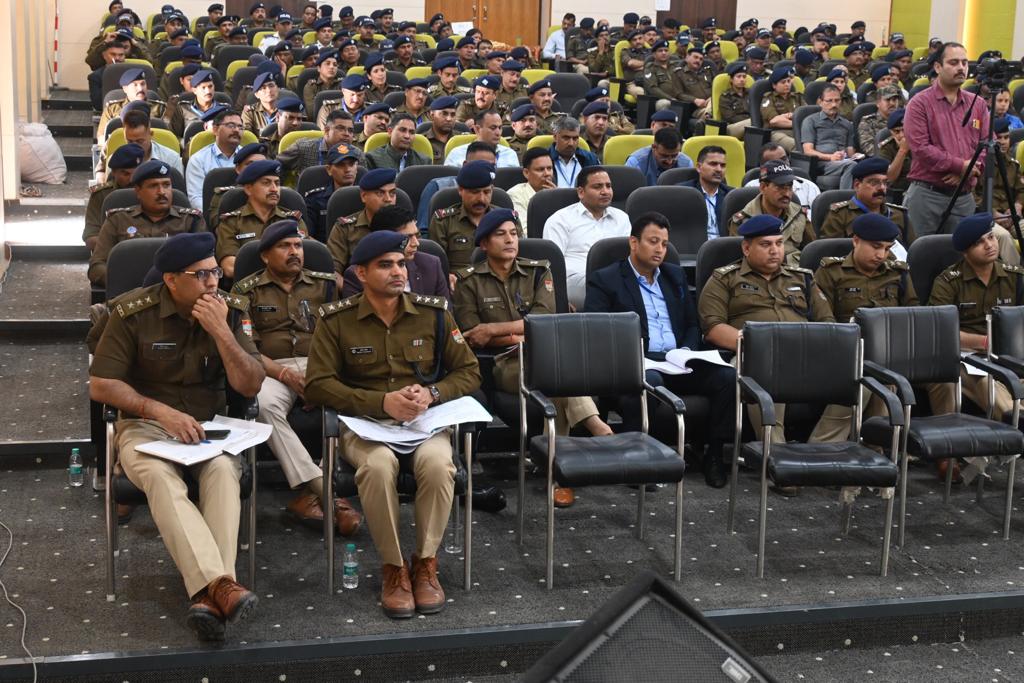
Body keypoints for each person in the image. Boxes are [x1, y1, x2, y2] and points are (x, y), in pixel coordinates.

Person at [89, 232, 265, 641]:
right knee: (159, 478)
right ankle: (221, 586)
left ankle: (208, 596)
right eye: (200, 275)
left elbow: (251, 384)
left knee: (223, 471)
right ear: (171, 279)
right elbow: (101, 385)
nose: (212, 283)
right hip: (145, 426)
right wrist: (158, 411)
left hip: (208, 428)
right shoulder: (133, 312)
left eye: (215, 273)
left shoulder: (230, 312)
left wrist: (221, 332)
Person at [305, 230, 481, 619]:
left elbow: (469, 371)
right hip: (365, 425)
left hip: (423, 423)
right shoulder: (336, 320)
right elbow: (317, 384)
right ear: (361, 273)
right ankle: (394, 568)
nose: (398, 271)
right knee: (378, 466)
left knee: (439, 466)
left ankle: (425, 563)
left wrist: (432, 394)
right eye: (385, 265)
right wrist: (379, 401)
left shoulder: (434, 313)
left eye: (401, 263)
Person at [454, 209, 613, 507]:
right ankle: (596, 432)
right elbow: (472, 334)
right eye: (501, 234)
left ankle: (558, 470)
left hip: (544, 354)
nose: (510, 239)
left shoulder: (540, 271)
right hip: (502, 363)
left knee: (557, 383)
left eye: (513, 233)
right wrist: (518, 335)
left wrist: (496, 329)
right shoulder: (469, 281)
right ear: (484, 244)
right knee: (561, 376)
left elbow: (544, 318)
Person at [584, 212, 736, 487]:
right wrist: (638, 357)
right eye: (653, 242)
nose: (660, 250)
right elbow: (599, 330)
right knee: (650, 382)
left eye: (664, 244)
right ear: (633, 242)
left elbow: (691, 322)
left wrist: (687, 350)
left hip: (676, 359)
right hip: (636, 361)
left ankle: (714, 453)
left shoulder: (674, 275)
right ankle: (638, 458)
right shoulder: (606, 279)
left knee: (726, 378)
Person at [230, 221, 362, 535]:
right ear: (264, 255)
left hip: (322, 364)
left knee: (359, 397)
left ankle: (311, 493)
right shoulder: (244, 290)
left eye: (298, 246)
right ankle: (326, 491)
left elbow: (345, 334)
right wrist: (286, 375)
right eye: (285, 247)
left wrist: (319, 375)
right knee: (262, 406)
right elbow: (246, 349)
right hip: (271, 369)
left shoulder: (327, 284)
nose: (294, 252)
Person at [698, 215, 835, 456]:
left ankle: (822, 449)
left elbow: (827, 323)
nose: (775, 251)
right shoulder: (725, 278)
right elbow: (713, 328)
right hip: (756, 355)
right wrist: (757, 346)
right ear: (746, 248)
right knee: (760, 366)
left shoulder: (802, 277)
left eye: (779, 243)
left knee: (861, 376)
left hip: (805, 355)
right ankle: (778, 457)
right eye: (766, 244)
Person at [927, 214, 1024, 484]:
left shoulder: (1014, 278)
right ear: (967, 252)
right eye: (980, 242)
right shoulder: (949, 281)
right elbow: (940, 330)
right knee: (990, 387)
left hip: (1009, 355)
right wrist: (983, 342)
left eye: (991, 237)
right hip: (967, 357)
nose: (990, 245)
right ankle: (950, 453)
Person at [904, 42, 990, 237]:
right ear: (938, 67)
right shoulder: (919, 103)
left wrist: (966, 171)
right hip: (928, 196)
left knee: (961, 261)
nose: (961, 67)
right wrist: (961, 166)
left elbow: (987, 144)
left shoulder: (977, 103)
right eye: (953, 62)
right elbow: (921, 148)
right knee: (922, 258)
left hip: (964, 197)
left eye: (964, 62)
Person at [88, 160, 206, 286]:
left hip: (178, 294)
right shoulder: (117, 220)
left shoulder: (191, 220)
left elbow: (206, 265)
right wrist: (123, 282)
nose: (162, 192)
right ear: (138, 191)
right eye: (153, 186)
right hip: (130, 296)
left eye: (166, 185)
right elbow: (97, 266)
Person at [544, 167, 632, 309]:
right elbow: (550, 266)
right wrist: (558, 299)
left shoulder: (622, 218)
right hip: (575, 282)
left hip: (617, 280)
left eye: (608, 186)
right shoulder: (560, 220)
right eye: (597, 187)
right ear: (581, 192)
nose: (605, 191)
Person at [215, 159, 307, 278]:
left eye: (277, 183)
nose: (274, 189)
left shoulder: (293, 220)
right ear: (248, 189)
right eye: (266, 183)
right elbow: (230, 267)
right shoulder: (232, 222)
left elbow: (305, 259)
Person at [342, 205, 449, 300]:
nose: (416, 243)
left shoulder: (432, 265)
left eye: (417, 235)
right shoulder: (357, 274)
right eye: (407, 237)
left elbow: (445, 315)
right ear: (382, 237)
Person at [430, 160, 520, 270]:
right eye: (475, 192)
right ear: (460, 190)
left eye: (486, 192)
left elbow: (519, 258)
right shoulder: (443, 221)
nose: (481, 199)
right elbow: (436, 265)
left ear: (492, 189)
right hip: (460, 283)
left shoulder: (508, 220)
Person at [728, 160, 814, 266]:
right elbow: (739, 262)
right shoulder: (743, 221)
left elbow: (812, 253)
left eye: (790, 187)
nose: (787, 194)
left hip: (794, 276)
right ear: (763, 187)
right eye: (780, 187)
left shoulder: (799, 215)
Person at [820, 156, 911, 241]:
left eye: (885, 182)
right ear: (857, 185)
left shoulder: (898, 214)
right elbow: (830, 252)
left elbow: (912, 252)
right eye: (874, 182)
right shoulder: (840, 215)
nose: (882, 188)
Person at [326, 168, 399, 274]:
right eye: (380, 193)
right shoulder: (345, 228)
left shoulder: (403, 226)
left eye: (392, 193)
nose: (388, 199)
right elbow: (332, 271)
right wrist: (350, 289)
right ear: (364, 196)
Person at [417, 143, 499, 230]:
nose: (487, 170)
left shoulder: (495, 191)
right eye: (480, 165)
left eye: (492, 166)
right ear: (465, 165)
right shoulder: (437, 187)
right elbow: (424, 232)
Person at [84, 144, 143, 251]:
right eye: (126, 174)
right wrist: (123, 249)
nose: (132, 179)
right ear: (114, 172)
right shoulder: (101, 195)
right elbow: (90, 238)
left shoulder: (152, 192)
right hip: (112, 254)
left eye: (136, 174)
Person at [800, 84, 859, 188]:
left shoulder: (847, 124)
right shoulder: (810, 121)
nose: (834, 104)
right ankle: (845, 199)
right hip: (821, 163)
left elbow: (850, 152)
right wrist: (830, 157)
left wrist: (855, 156)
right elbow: (808, 151)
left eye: (837, 100)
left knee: (864, 165)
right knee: (851, 166)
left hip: (843, 161)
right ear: (821, 102)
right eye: (829, 101)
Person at [302, 143, 362, 242]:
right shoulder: (314, 199)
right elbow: (306, 235)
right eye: (341, 165)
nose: (347, 170)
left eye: (351, 164)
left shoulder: (367, 197)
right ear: (329, 169)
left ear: (357, 168)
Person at [186, 108, 242, 210]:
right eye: (231, 126)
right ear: (215, 129)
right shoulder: (198, 160)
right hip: (211, 216)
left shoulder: (250, 158)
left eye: (240, 127)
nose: (237, 130)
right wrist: (213, 216)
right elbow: (196, 198)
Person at [97, 68, 167, 145]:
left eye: (143, 84)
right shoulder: (112, 109)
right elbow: (101, 137)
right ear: (125, 89)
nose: (140, 88)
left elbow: (167, 136)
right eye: (135, 85)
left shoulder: (159, 108)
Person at [278, 109, 353, 177]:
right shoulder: (303, 148)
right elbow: (276, 167)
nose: (347, 134)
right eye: (340, 129)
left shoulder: (357, 154)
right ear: (326, 131)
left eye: (350, 130)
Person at [678, 145, 731, 240]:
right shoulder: (682, 193)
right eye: (713, 164)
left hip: (724, 248)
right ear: (699, 167)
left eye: (723, 165)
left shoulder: (731, 196)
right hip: (695, 248)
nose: (719, 169)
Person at [443, 110, 520, 168]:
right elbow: (449, 183)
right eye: (493, 128)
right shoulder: (457, 154)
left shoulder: (510, 154)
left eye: (500, 128)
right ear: (477, 129)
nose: (498, 133)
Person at [120, 107, 183, 176]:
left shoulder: (171, 159)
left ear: (151, 134)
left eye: (140, 141)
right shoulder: (116, 161)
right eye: (130, 142)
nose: (134, 147)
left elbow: (177, 186)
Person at [625, 127, 694, 186]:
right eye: (664, 156)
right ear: (654, 147)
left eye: (674, 155)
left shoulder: (687, 163)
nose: (669, 161)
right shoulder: (635, 163)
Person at [508, 148, 555, 231]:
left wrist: (556, 199)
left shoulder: (559, 194)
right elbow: (525, 232)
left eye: (549, 168)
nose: (547, 174)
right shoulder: (515, 195)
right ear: (526, 173)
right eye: (540, 169)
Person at [364, 113, 432, 170]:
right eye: (402, 130)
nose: (407, 136)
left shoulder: (424, 162)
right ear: (390, 131)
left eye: (412, 132)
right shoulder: (372, 158)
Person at [759, 65, 802, 152]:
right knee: (797, 146)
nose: (787, 84)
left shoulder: (797, 97)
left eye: (788, 81)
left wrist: (787, 117)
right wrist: (796, 121)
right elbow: (774, 121)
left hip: (797, 130)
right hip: (776, 133)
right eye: (783, 82)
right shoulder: (769, 98)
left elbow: (806, 116)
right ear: (774, 85)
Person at [546, 117, 599, 187]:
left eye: (575, 138)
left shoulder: (590, 159)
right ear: (555, 137)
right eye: (566, 138)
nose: (571, 143)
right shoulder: (544, 159)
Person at [168, 68, 219, 138]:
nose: (208, 91)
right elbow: (174, 136)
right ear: (194, 90)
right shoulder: (183, 109)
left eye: (210, 86)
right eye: (203, 88)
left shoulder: (223, 110)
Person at [858, 85, 903, 156]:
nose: (892, 103)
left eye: (894, 100)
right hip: (881, 161)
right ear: (878, 103)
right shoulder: (868, 122)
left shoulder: (903, 121)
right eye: (888, 100)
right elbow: (868, 148)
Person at [878, 108, 911, 197]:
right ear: (891, 132)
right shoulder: (886, 148)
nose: (902, 135)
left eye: (904, 130)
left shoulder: (921, 142)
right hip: (898, 193)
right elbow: (889, 178)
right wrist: (902, 151)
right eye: (896, 131)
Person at [719, 63, 752, 139]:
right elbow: (730, 117)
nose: (742, 79)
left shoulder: (751, 93)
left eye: (744, 77)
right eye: (738, 77)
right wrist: (751, 119)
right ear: (731, 79)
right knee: (755, 122)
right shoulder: (725, 97)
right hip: (733, 127)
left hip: (751, 125)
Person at [422, 96, 458, 165]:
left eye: (453, 115)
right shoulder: (423, 141)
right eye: (444, 114)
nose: (449, 119)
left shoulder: (461, 140)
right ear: (432, 115)